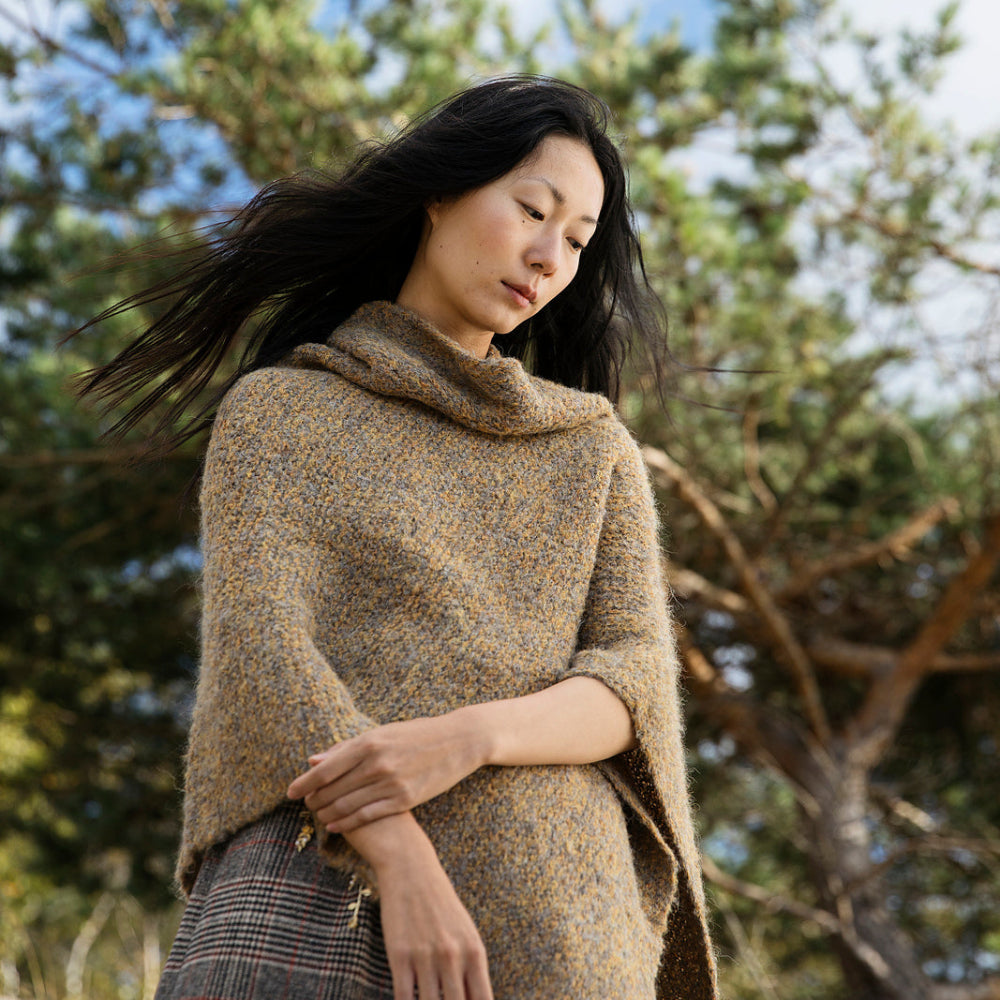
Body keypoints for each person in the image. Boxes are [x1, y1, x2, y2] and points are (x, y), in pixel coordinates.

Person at [75, 75, 718, 1000]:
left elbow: (632, 685)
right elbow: (264, 659)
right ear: (441, 192)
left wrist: (464, 739)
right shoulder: (286, 411)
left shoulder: (590, 449)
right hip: (314, 886)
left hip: (561, 925)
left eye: (576, 242)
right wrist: (402, 863)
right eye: (531, 210)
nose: (548, 256)